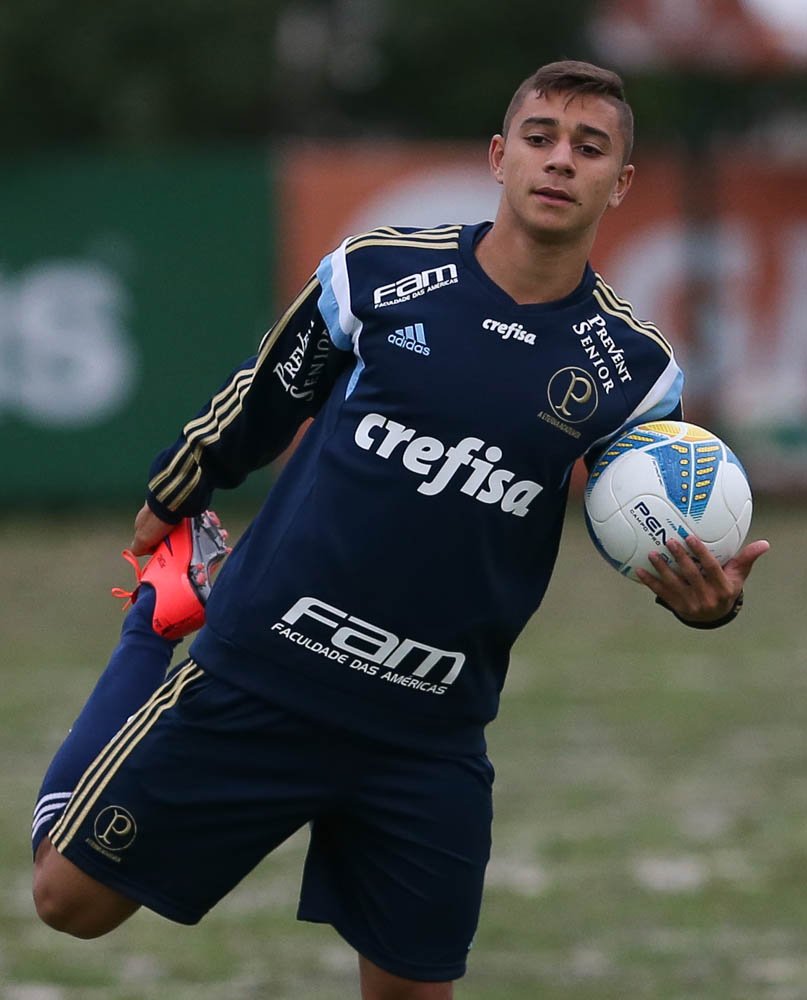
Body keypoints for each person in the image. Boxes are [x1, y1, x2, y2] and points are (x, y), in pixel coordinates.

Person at [31, 60, 769, 999]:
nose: (558, 161)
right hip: (266, 673)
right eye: (539, 138)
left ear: (619, 184)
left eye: (589, 148)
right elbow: (256, 405)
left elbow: (657, 527)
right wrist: (173, 496)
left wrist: (705, 605)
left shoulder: (634, 371)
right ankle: (152, 629)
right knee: (67, 902)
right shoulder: (377, 272)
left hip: (427, 732)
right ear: (498, 157)